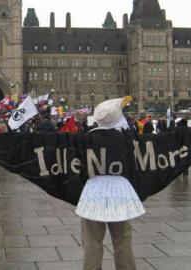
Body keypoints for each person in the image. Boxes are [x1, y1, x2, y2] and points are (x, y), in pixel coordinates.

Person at [76, 97, 145, 270]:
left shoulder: (87, 138)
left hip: (93, 192)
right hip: (120, 193)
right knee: (123, 242)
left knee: (92, 242)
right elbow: (131, 166)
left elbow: (81, 168)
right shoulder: (124, 139)